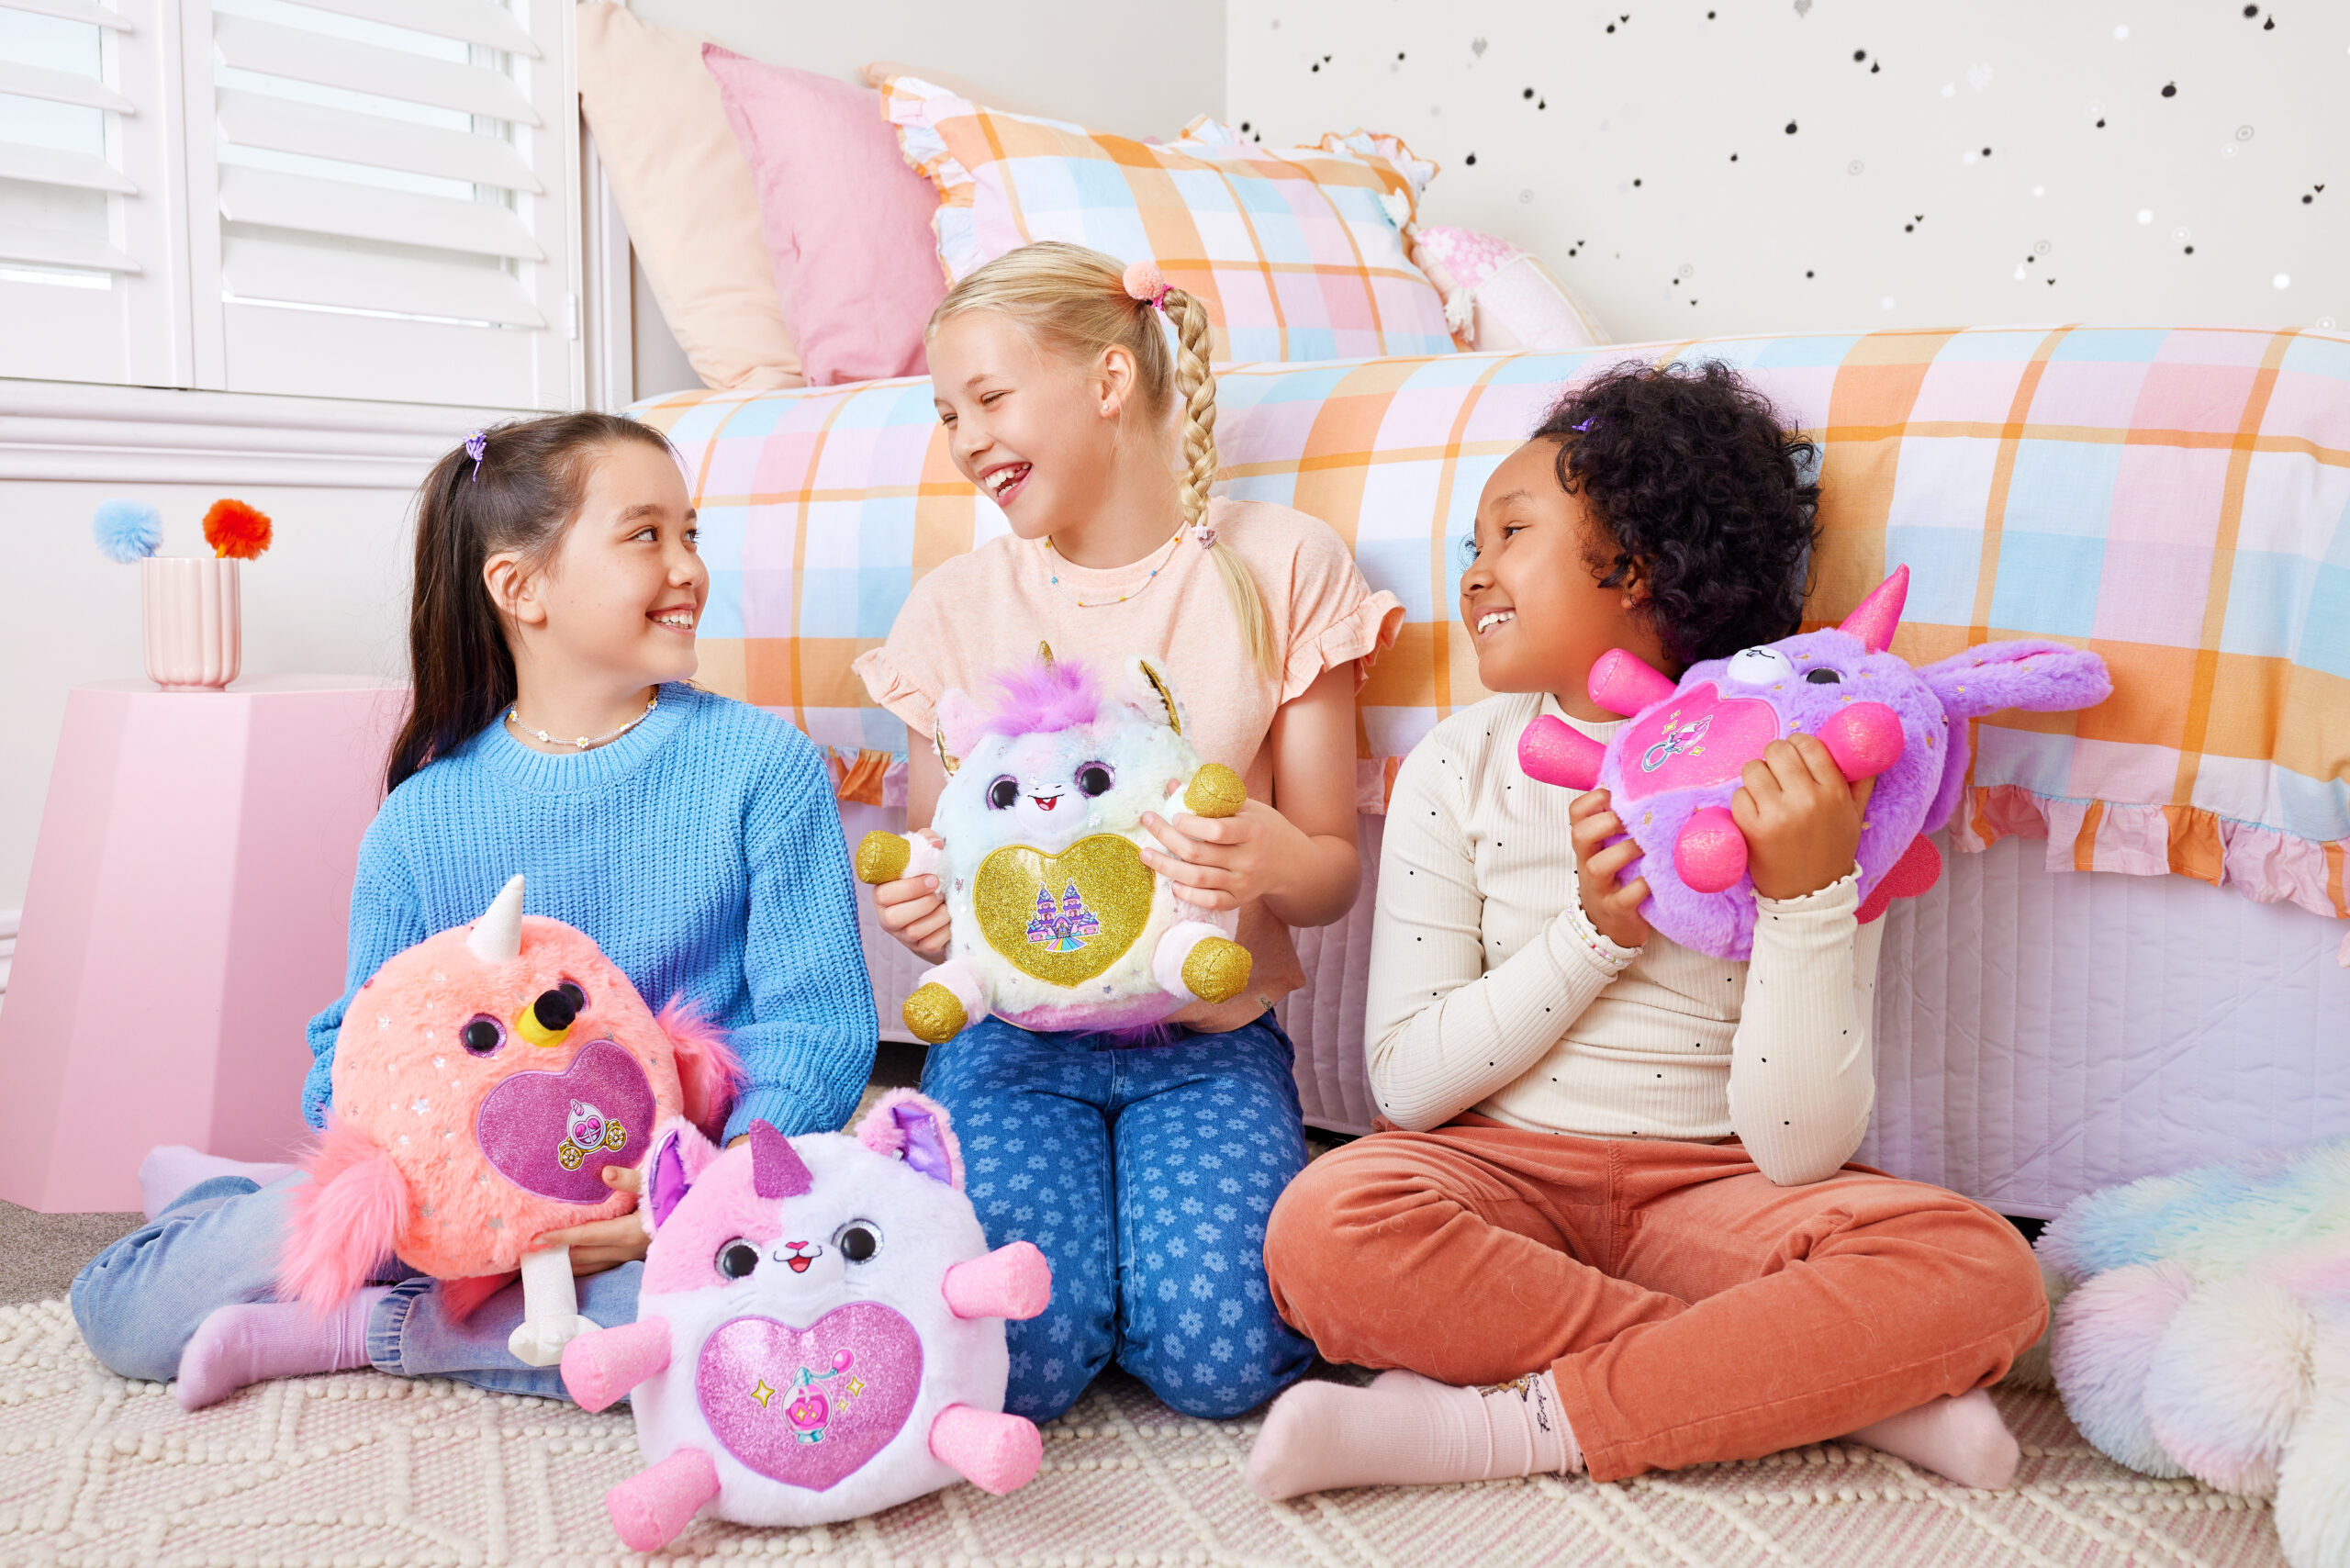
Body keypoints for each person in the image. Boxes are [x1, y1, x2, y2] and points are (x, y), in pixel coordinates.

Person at [1247, 362, 2047, 1497]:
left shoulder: (1807, 771)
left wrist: (1807, 895)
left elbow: (1797, 1152)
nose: (1471, 571)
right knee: (1324, 1225)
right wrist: (1591, 933)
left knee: (1981, 1268)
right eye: (1473, 542)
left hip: (1721, 1190)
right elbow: (1409, 1086)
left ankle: (1495, 1430)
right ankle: (1834, 1389)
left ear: (1629, 567)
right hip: (1491, 1172)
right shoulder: (1458, 766)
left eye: (1510, 531)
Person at [73, 412, 878, 1407]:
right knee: (125, 1312)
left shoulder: (765, 768)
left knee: (753, 1340)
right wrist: (435, 1188)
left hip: (668, 1191)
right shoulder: (422, 818)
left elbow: (816, 1029)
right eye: (645, 535)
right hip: (448, 1197)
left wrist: (704, 1189)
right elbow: (355, 1044)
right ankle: (236, 1202)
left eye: (691, 533)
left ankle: (365, 1330)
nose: (688, 569)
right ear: (520, 587)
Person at [853, 241, 1402, 1421]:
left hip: (1206, 1042)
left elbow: (1326, 876)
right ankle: (1090, 1272)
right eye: (948, 415)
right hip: (1010, 1047)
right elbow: (942, 873)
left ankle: (1138, 1265)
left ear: (1109, 381)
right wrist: (919, 910)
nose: (967, 440)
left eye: (990, 398)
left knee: (1225, 1359)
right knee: (1019, 1362)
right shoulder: (953, 610)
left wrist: (1271, 852)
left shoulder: (1280, 566)